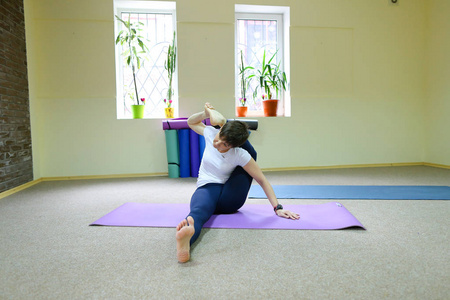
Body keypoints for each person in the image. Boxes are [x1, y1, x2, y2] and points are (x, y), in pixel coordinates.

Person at [176, 103, 299, 263]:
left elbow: (262, 179)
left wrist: (278, 208)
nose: (217, 144)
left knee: (249, 162)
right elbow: (191, 122)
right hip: (208, 189)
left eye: (225, 144)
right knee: (197, 214)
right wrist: (205, 113)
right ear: (218, 131)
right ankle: (186, 242)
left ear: (234, 146)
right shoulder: (210, 134)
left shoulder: (239, 154)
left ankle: (223, 121)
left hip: (230, 199)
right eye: (219, 138)